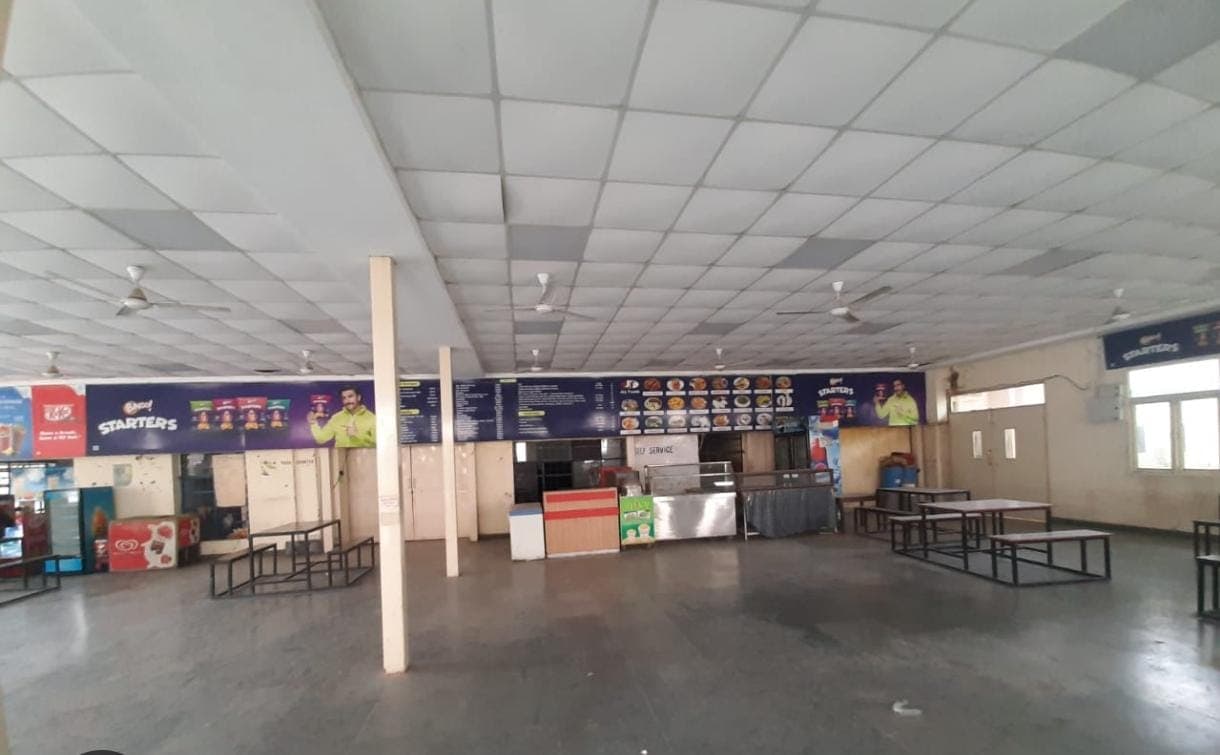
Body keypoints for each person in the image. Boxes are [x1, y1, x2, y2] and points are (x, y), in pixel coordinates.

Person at [309, 386, 375, 448]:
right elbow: (321, 439)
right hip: (341, 456)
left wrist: (357, 435)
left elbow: (377, 444)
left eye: (350, 396)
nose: (347, 401)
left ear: (358, 397)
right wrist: (313, 423)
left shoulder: (372, 418)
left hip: (364, 456)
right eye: (344, 398)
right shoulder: (336, 418)